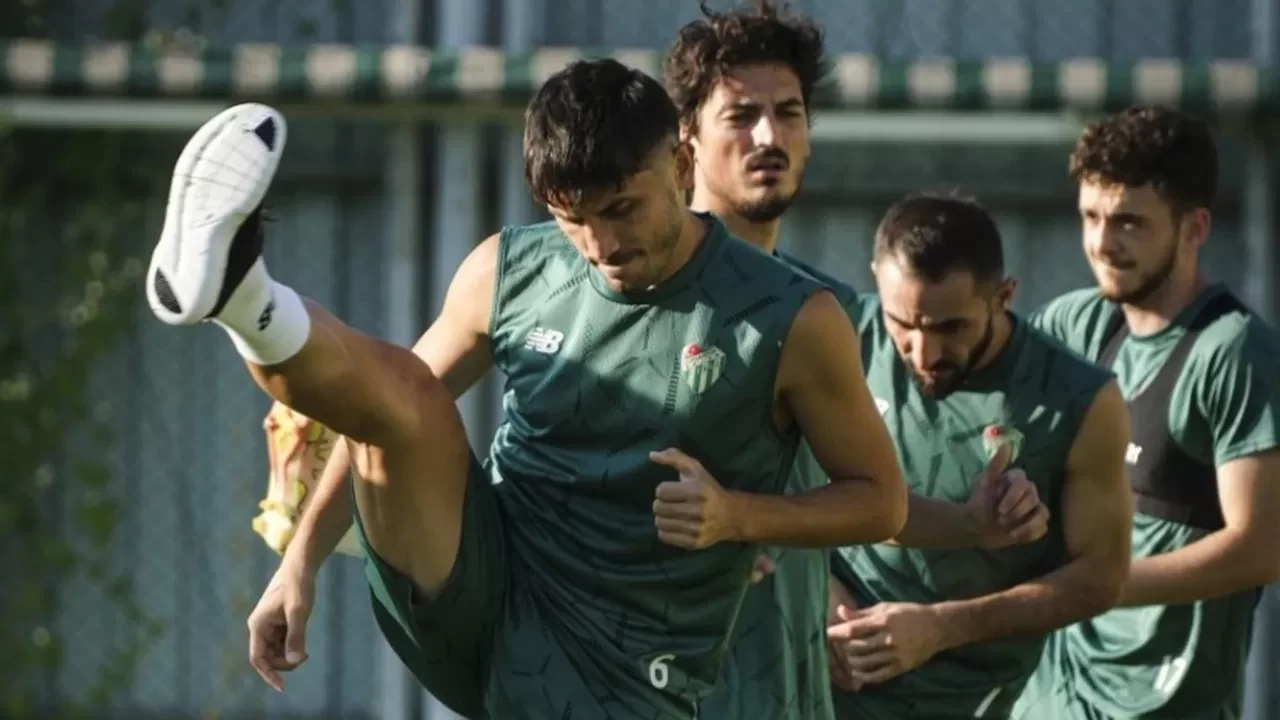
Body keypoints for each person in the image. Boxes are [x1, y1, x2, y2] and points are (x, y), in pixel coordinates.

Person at [148, 60, 910, 720]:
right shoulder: (508, 269)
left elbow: (882, 501)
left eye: (621, 209)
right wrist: (299, 564)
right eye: (573, 219)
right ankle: (242, 294)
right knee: (411, 391)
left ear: (682, 165)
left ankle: (247, 299)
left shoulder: (792, 316)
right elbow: (380, 409)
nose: (601, 244)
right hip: (478, 584)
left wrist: (736, 516)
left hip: (621, 672)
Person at [662, 5, 1052, 719]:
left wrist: (972, 522)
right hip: (661, 677)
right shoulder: (644, 286)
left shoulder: (823, 310)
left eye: (789, 113)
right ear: (687, 138)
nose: (769, 136)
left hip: (786, 685)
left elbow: (860, 496)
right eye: (741, 116)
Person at [1012, 106, 1280, 720]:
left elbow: (1262, 546)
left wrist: (1092, 585)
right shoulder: (1074, 325)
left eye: (1129, 222)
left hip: (1163, 705)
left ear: (1194, 228)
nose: (1102, 243)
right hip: (1046, 700)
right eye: (1091, 217)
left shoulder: (1233, 353)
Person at [825, 194, 1135, 720]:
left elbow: (1100, 579)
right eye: (902, 323)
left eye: (950, 328)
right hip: (817, 675)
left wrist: (941, 627)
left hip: (962, 698)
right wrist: (821, 600)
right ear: (877, 278)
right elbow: (774, 485)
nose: (923, 352)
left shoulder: (1079, 400)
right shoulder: (840, 338)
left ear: (1004, 296)